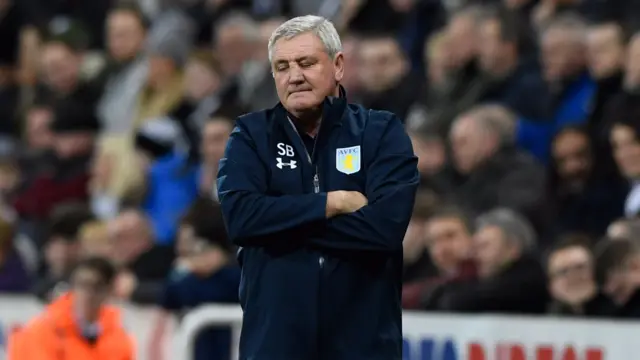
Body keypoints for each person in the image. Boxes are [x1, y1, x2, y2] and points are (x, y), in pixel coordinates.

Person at [217, 15, 419, 360]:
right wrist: (331, 203)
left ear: (338, 65)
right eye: (282, 67)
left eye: (306, 63)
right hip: (275, 347)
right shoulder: (251, 137)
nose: (294, 76)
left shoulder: (381, 133)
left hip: (363, 346)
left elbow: (383, 230)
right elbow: (241, 219)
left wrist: (277, 223)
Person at [8, 256, 135, 359]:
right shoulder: (45, 329)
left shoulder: (117, 336)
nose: (88, 294)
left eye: (96, 287)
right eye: (82, 285)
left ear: (108, 291)